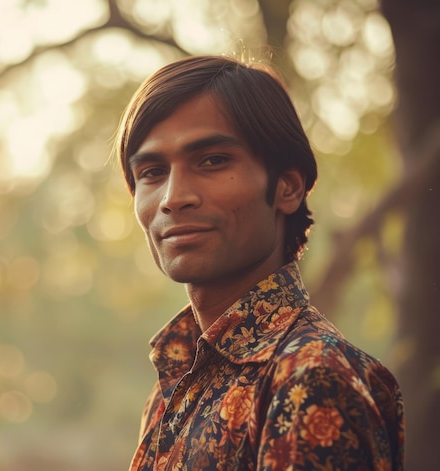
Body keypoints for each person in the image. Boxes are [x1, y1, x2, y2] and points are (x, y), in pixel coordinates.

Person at [114, 55, 405, 470]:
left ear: (287, 188)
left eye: (212, 160)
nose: (173, 197)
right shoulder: (176, 385)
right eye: (153, 172)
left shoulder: (310, 379)